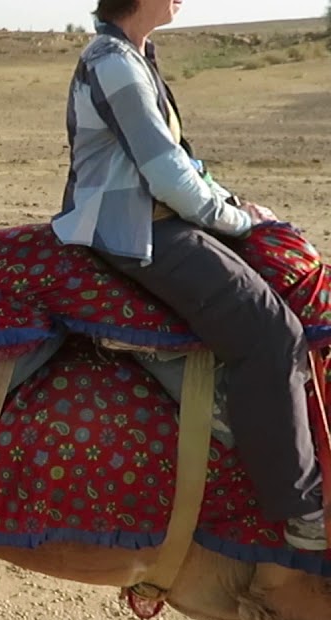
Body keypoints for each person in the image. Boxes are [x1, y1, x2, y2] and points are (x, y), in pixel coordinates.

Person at [51, 0, 327, 551]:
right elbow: (165, 172)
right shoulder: (114, 62)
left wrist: (234, 205)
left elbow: (182, 162)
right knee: (271, 333)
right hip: (135, 230)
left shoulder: (134, 54)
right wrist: (235, 220)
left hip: (159, 216)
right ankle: (300, 512)